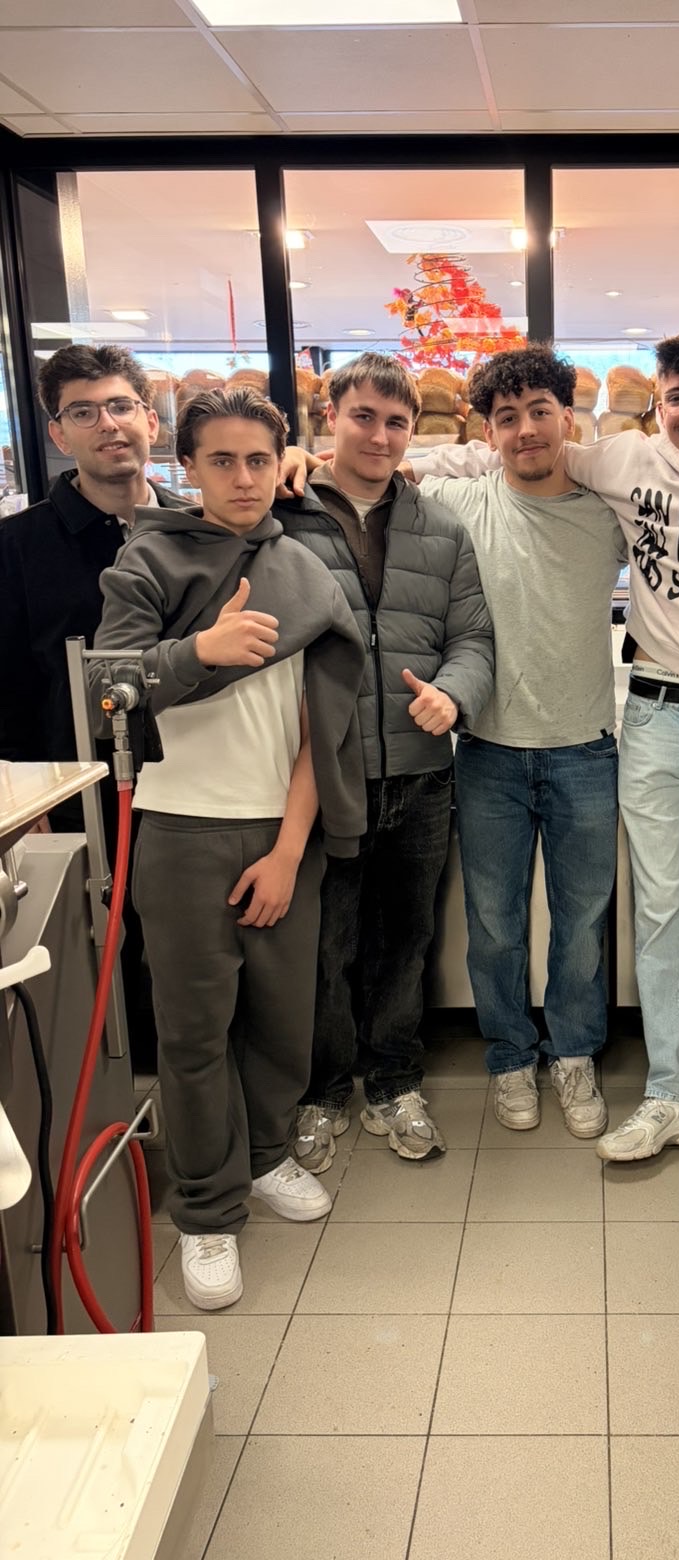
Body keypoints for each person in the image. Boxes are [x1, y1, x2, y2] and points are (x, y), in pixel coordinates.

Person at [407, 331, 679, 1161]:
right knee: (568, 918)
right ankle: (580, 1072)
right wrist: (324, 461)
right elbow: (448, 464)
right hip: (576, 731)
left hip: (675, 732)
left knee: (665, 916)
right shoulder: (559, 480)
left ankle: (660, 1070)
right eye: (675, 397)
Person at [94, 386, 365, 1310]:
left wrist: (289, 849)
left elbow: (321, 727)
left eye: (258, 460)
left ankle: (265, 1154)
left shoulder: (303, 569)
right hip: (179, 830)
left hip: (282, 827)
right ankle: (207, 1210)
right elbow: (106, 689)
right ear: (187, 467)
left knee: (282, 1018)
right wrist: (198, 651)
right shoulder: (147, 559)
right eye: (221, 461)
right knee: (194, 1029)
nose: (243, 478)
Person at [0, 345, 311, 1071]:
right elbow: (7, 684)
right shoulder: (17, 547)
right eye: (83, 412)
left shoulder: (203, 523)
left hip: (187, 791)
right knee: (98, 955)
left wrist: (301, 463)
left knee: (199, 974)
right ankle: (132, 1097)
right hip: (76, 793)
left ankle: (198, 1103)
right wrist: (26, 799)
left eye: (120, 405)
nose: (107, 424)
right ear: (57, 433)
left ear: (150, 418)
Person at [273, 353, 493, 1168]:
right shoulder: (282, 513)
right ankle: (324, 1091)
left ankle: (395, 1083)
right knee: (325, 944)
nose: (380, 435)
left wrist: (454, 695)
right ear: (330, 416)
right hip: (319, 776)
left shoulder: (441, 527)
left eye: (397, 421)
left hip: (421, 774)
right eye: (363, 416)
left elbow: (473, 638)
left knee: (406, 940)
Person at [414, 346, 625, 1137]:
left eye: (541, 411)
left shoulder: (609, 510)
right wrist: (305, 459)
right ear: (488, 432)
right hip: (489, 752)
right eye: (508, 417)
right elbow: (379, 472)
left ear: (567, 417)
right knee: (495, 925)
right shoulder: (462, 501)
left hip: (585, 751)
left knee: (582, 924)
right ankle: (509, 1056)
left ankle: (574, 1054)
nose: (527, 429)